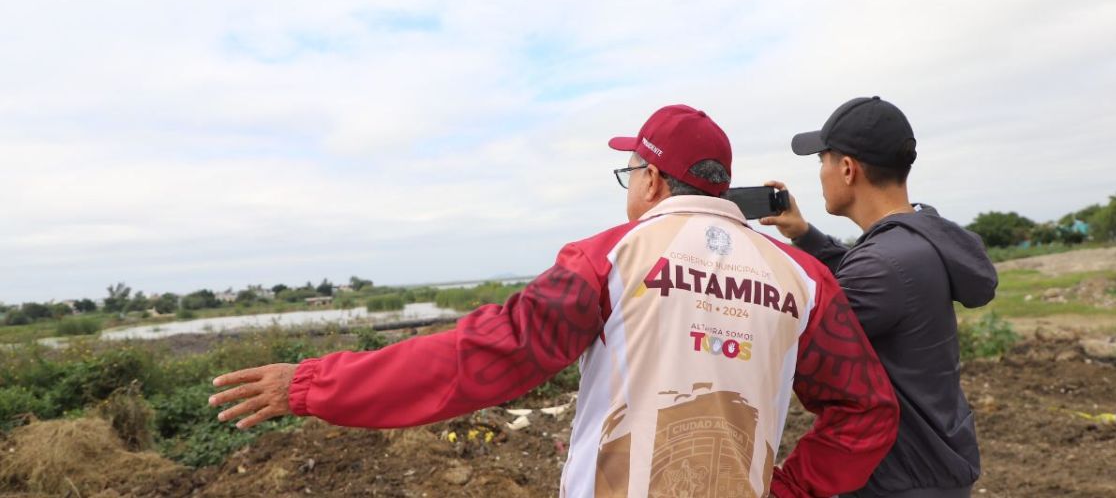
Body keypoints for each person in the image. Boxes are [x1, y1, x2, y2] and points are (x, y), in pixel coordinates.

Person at [209, 104, 898, 497]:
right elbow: (866, 413)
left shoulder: (608, 259)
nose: (629, 184)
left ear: (653, 180)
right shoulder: (804, 279)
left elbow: (478, 359)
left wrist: (312, 383)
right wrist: (789, 491)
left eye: (632, 170)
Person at [761, 96, 998, 498]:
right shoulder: (916, 240)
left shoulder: (883, 265)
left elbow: (795, 339)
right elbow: (863, 277)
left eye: (823, 160)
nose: (821, 173)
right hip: (932, 463)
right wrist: (804, 234)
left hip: (900, 477)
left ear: (848, 169)